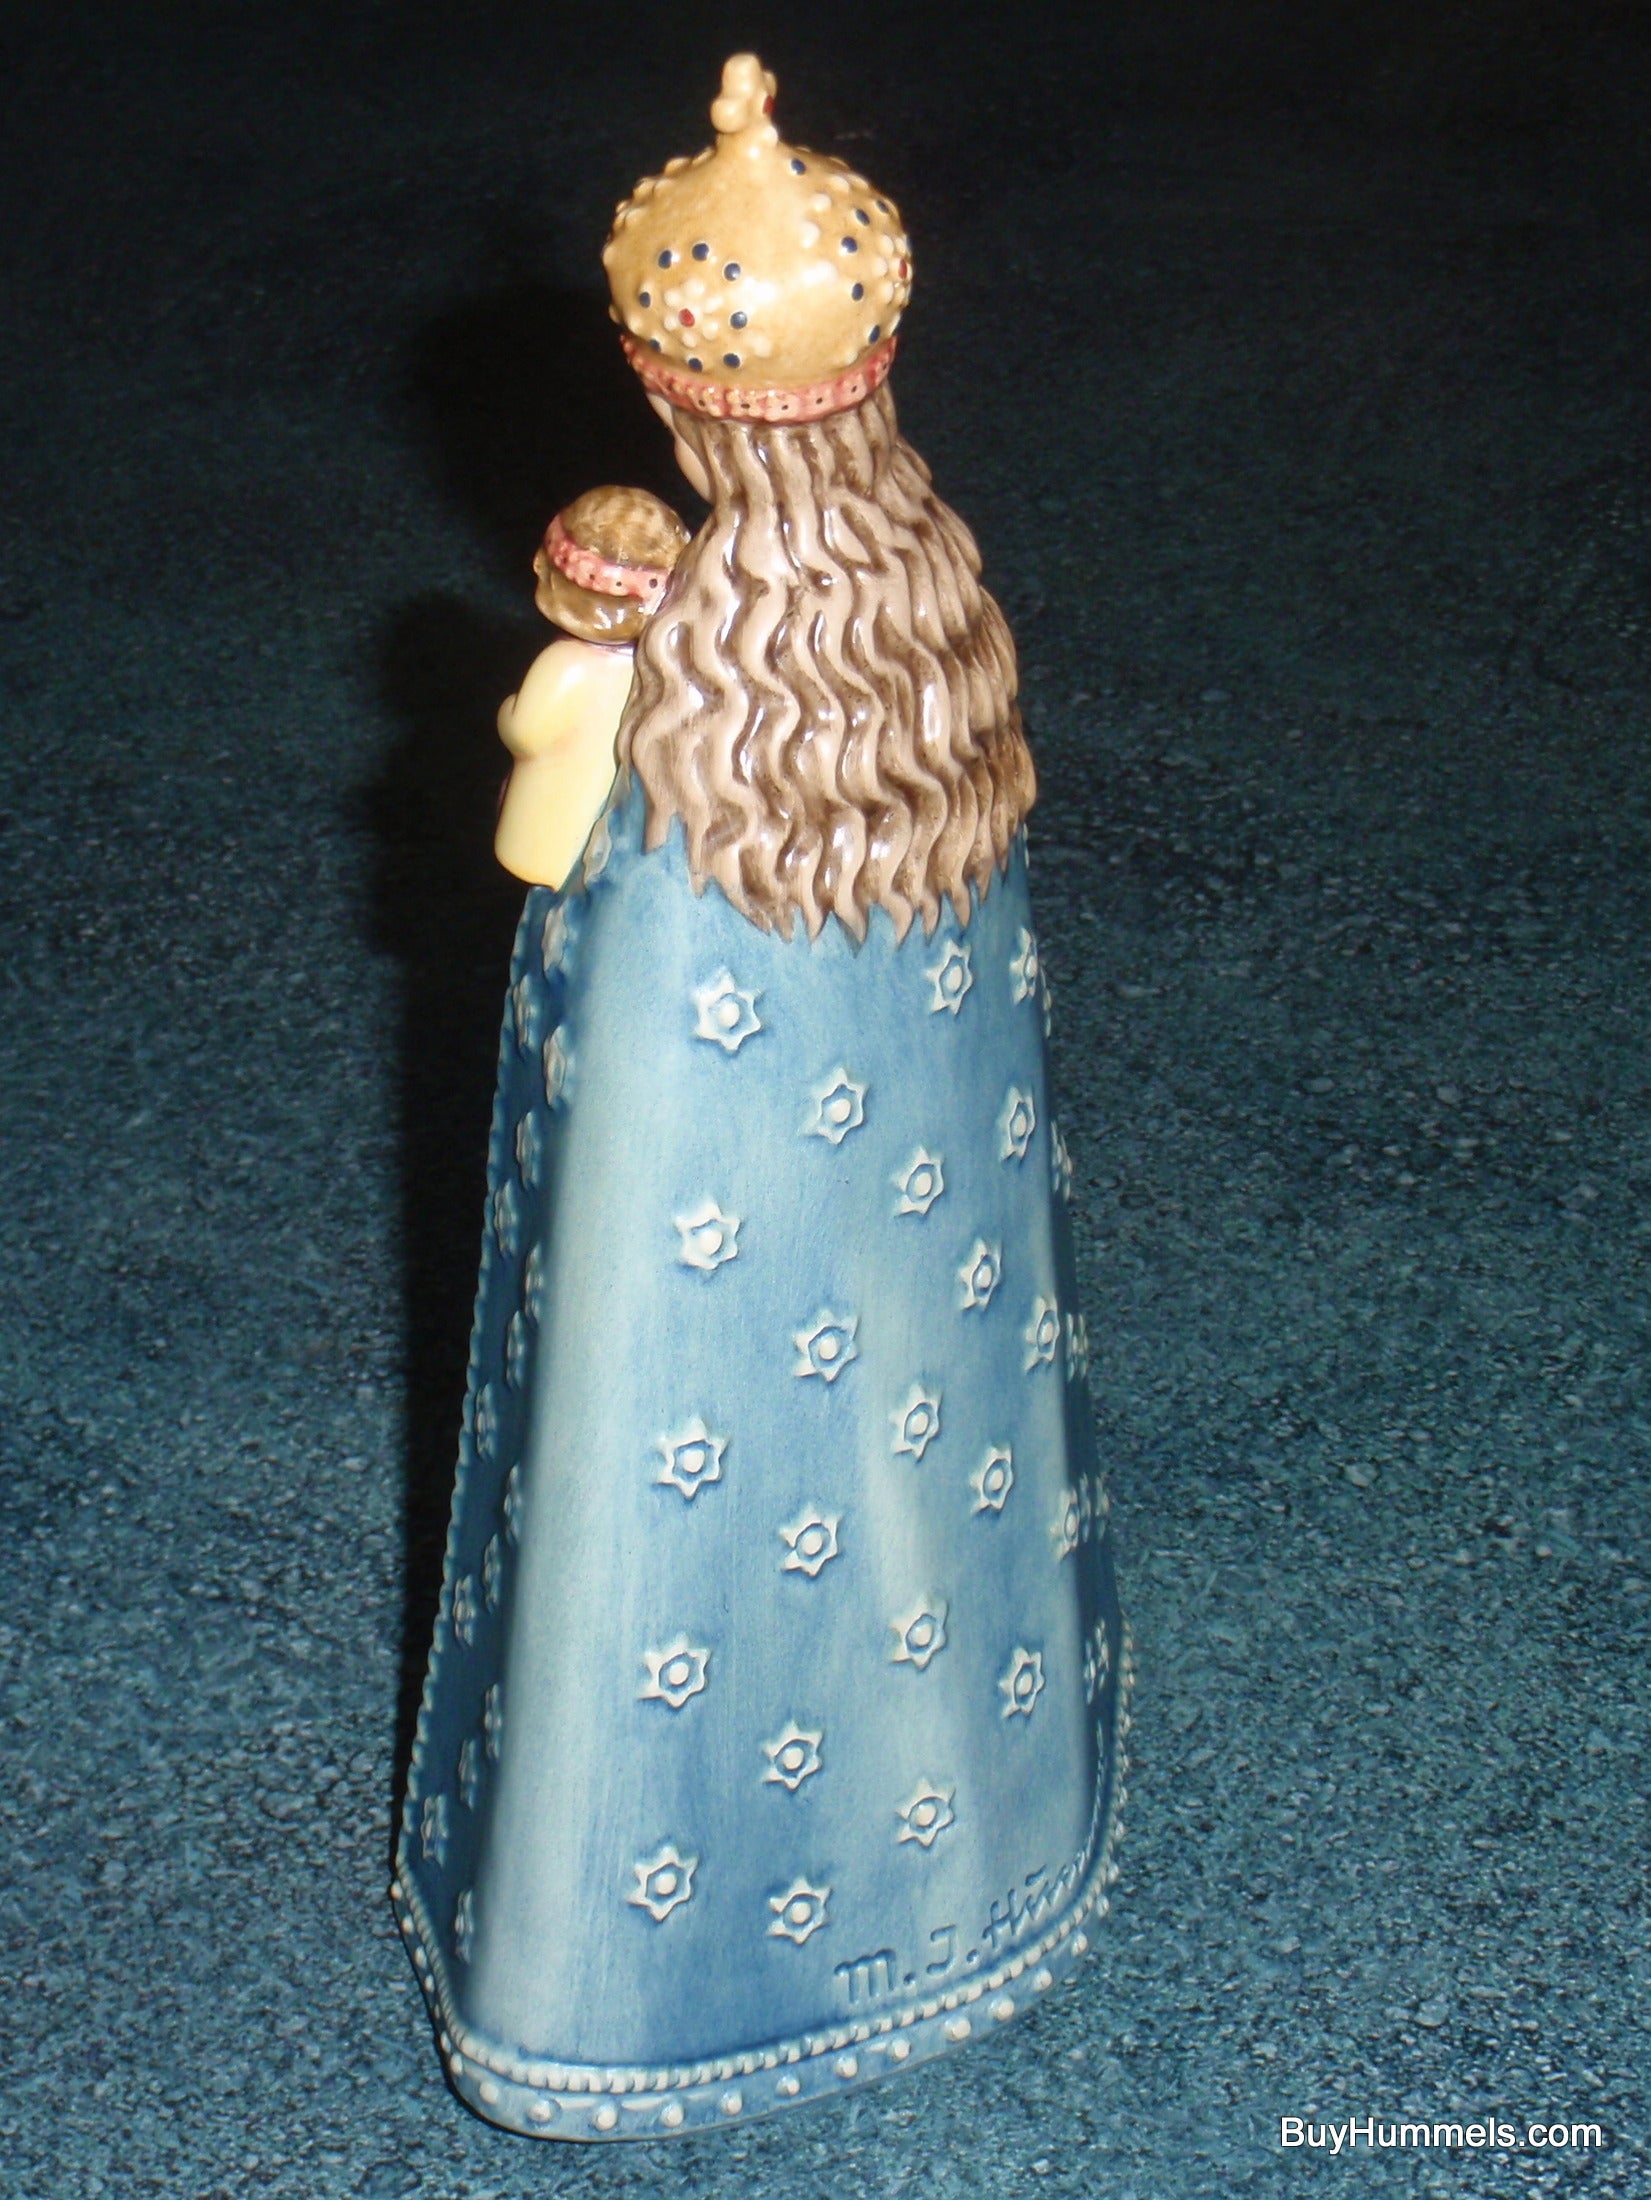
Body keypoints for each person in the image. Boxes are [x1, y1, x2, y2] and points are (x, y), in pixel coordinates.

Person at [393, 52, 1129, 2143]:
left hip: (696, 1131)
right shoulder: (933, 613)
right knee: (931, 1412)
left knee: (672, 1456)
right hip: (919, 1144)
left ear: (682, 399)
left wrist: (558, 689)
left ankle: (626, 1978)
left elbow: (538, 849)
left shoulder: (663, 673)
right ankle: (972, 1859)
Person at [493, 486, 690, 890]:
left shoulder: (565, 664)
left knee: (549, 854)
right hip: (619, 809)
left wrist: (507, 712)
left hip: (554, 804)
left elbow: (526, 732)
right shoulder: (657, 667)